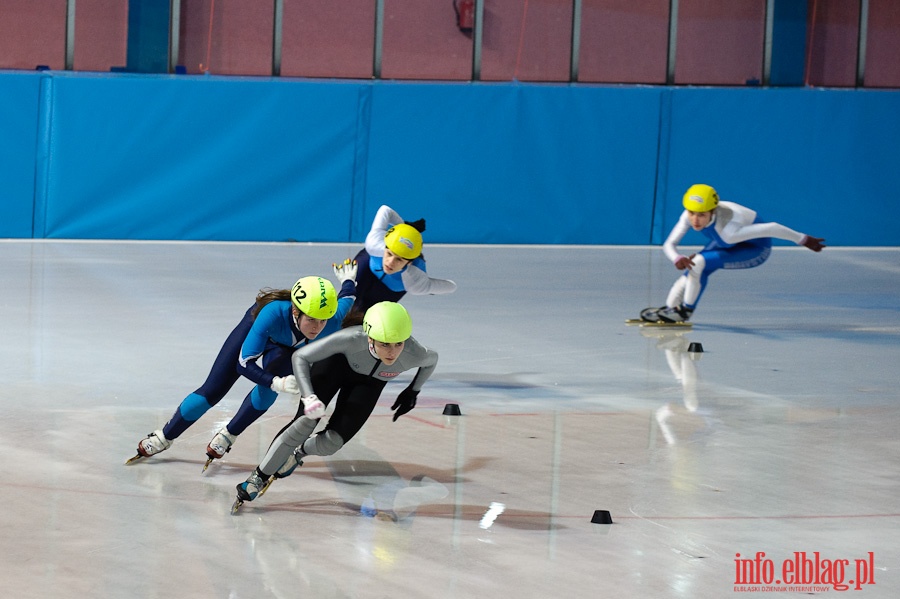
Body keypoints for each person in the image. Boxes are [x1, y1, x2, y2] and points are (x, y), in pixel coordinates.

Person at [128, 268, 357, 465]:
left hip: (283, 349)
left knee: (269, 393)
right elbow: (243, 363)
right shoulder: (272, 313)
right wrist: (276, 381)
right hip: (259, 330)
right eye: (312, 319)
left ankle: (229, 434)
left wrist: (350, 279)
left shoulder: (332, 320)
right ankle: (164, 437)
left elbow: (348, 297)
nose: (317, 327)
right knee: (213, 390)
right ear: (296, 311)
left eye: (322, 320)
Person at [231, 301, 439, 512]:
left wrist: (414, 390)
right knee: (304, 423)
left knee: (332, 443)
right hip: (333, 367)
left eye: (398, 344)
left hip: (368, 384)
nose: (393, 352)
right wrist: (309, 396)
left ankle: (298, 453)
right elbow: (300, 356)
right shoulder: (351, 338)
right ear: (369, 337)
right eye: (385, 344)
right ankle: (258, 477)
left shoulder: (414, 352)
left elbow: (432, 360)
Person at [640, 183, 826, 323]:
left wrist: (803, 239)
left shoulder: (727, 230)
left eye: (702, 215)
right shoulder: (690, 214)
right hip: (726, 243)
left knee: (699, 263)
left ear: (712, 212)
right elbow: (669, 243)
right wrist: (677, 258)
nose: (695, 220)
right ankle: (670, 308)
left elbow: (772, 227)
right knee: (691, 267)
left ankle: (684, 311)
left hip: (754, 250)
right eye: (692, 213)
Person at [345, 204, 457, 313]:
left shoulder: (415, 281)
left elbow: (451, 286)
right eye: (389, 254)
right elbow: (385, 210)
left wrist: (429, 288)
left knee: (368, 316)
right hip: (368, 265)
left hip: (390, 288)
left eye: (399, 260)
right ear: (384, 247)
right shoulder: (374, 243)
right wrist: (405, 229)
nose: (390, 262)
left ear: (409, 262)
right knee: (348, 300)